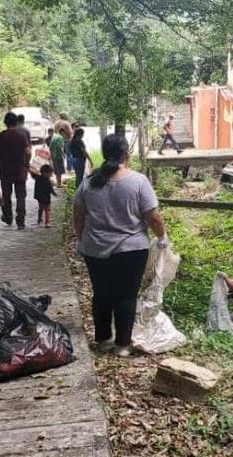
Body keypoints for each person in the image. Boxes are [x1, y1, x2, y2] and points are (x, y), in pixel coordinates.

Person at [73, 133, 169, 357]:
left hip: (95, 250)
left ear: (105, 154)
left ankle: (103, 340)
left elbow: (78, 216)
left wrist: (80, 240)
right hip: (131, 251)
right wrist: (162, 237)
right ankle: (122, 345)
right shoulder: (138, 181)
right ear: (127, 154)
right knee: (127, 295)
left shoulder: (88, 182)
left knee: (102, 293)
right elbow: (153, 217)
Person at [0, 112, 32, 230]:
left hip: (4, 171)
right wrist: (27, 163)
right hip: (20, 171)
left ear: (5, 123)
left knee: (6, 195)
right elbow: (28, 152)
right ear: (16, 122)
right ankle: (21, 222)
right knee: (21, 196)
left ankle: (8, 217)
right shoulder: (22, 135)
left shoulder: (0, 136)